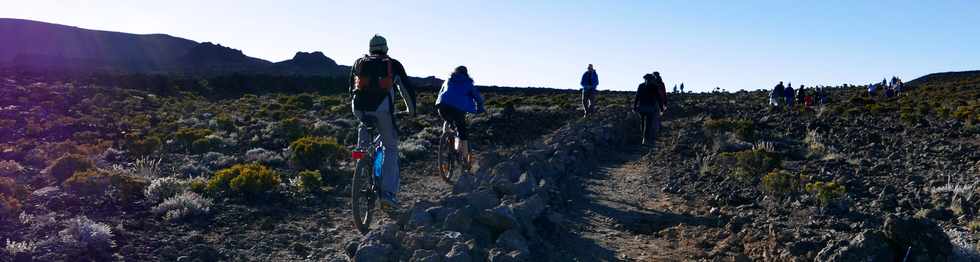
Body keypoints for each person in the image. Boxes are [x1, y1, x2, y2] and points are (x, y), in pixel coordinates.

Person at [349, 34, 417, 208]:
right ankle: (387, 194)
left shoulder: (359, 62)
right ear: (386, 48)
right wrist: (411, 110)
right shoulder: (392, 64)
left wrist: (358, 108)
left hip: (359, 109)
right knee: (391, 148)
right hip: (382, 110)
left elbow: (351, 88)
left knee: (364, 134)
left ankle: (360, 163)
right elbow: (406, 89)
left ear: (370, 48)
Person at [436, 66, 486, 165]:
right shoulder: (468, 82)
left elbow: (440, 93)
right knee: (462, 133)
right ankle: (465, 159)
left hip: (443, 106)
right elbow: (477, 97)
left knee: (448, 120)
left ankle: (446, 140)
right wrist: (480, 108)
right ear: (466, 73)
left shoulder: (448, 80)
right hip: (458, 109)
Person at [633, 73, 667, 146]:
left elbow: (637, 97)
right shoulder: (653, 86)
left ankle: (643, 138)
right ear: (651, 79)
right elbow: (659, 98)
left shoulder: (641, 86)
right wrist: (661, 109)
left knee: (642, 123)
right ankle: (645, 139)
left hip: (641, 108)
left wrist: (635, 107)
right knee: (648, 124)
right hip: (650, 108)